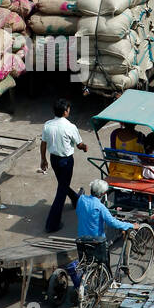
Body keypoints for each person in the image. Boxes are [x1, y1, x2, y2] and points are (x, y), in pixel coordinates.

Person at [39, 99, 87, 233]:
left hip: (53, 159)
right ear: (65, 112)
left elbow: (43, 143)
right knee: (61, 190)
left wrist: (43, 159)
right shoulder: (70, 127)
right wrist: (84, 147)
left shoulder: (48, 125)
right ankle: (52, 223)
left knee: (63, 184)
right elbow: (79, 144)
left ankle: (76, 199)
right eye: (68, 109)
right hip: (66, 161)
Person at [74, 179, 136, 268]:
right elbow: (112, 222)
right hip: (96, 242)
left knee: (86, 263)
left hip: (81, 240)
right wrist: (130, 225)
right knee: (105, 266)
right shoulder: (100, 207)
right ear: (102, 194)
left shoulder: (81, 200)